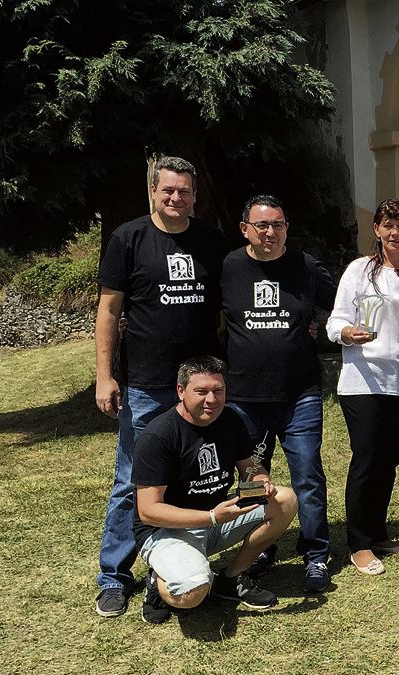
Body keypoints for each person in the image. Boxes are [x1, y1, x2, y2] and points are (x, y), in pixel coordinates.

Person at [93, 156, 226, 618]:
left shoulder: (210, 240)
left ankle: (168, 562)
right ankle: (113, 575)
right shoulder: (128, 239)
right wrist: (106, 375)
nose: (176, 198)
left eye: (184, 191)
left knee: (195, 474)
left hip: (202, 384)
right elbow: (108, 311)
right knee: (133, 480)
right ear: (153, 191)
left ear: (195, 195)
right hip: (148, 383)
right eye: (168, 190)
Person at [219, 195, 335, 592]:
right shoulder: (230, 266)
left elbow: (341, 303)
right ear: (245, 228)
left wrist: (322, 327)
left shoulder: (305, 266)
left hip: (298, 393)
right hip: (245, 397)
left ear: (287, 227)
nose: (271, 232)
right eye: (262, 225)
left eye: (279, 224)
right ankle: (262, 545)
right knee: (253, 477)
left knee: (307, 475)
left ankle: (316, 554)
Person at [133, 356, 299, 624]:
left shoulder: (230, 419)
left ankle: (233, 577)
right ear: (180, 391)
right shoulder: (158, 436)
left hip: (217, 516)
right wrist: (211, 517)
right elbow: (148, 511)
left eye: (218, 391)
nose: (211, 399)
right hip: (166, 530)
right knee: (194, 593)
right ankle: (157, 582)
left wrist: (261, 480)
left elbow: (250, 468)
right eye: (201, 391)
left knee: (285, 499)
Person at [327, 199, 399, 576]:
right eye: (387, 225)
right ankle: (358, 543)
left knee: (388, 462)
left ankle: (378, 532)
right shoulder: (361, 270)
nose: (394, 233)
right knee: (367, 460)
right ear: (376, 229)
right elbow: (335, 318)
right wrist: (346, 333)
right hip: (364, 380)